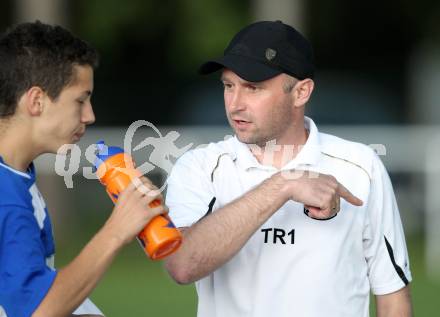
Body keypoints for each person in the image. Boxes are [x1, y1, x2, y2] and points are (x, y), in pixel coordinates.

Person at [164, 20, 412, 317]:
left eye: (253, 88)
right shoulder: (199, 167)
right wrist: (283, 185)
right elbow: (181, 265)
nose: (235, 104)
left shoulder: (361, 166)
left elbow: (392, 296)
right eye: (229, 86)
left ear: (301, 92)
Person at [0, 21, 167, 317]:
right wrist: (116, 231)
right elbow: (38, 310)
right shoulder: (6, 194)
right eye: (80, 100)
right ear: (36, 101)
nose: (89, 115)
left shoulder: (16, 174)